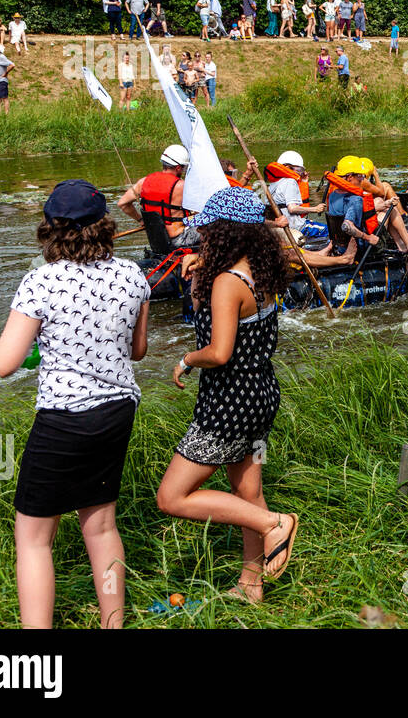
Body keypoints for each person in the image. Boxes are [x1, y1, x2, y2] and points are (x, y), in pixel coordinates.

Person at [0, 179, 151, 628]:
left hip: (64, 417)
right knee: (100, 526)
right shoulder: (132, 275)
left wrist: (33, 345)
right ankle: (112, 624)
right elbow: (137, 351)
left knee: (34, 538)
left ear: (51, 227)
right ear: (104, 225)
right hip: (118, 409)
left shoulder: (40, 280)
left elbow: (3, 363)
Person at [157, 187, 298, 603]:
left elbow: (218, 353)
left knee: (172, 496)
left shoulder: (226, 282)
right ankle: (250, 585)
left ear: (223, 233)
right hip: (261, 392)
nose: (201, 238)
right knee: (247, 491)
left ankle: (275, 523)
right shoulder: (260, 272)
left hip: (229, 400)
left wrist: (185, 359)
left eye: (208, 232)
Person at [117, 145, 196, 249]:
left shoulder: (143, 181)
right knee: (218, 229)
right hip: (179, 239)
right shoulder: (182, 186)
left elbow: (122, 204)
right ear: (178, 168)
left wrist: (141, 220)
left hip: (156, 241)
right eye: (183, 168)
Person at [265, 150, 327, 241]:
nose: (300, 173)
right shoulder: (290, 181)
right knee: (328, 230)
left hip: (280, 227)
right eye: (298, 170)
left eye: (301, 170)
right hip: (295, 227)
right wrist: (315, 209)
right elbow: (292, 208)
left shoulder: (273, 184)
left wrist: (304, 182)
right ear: (287, 167)